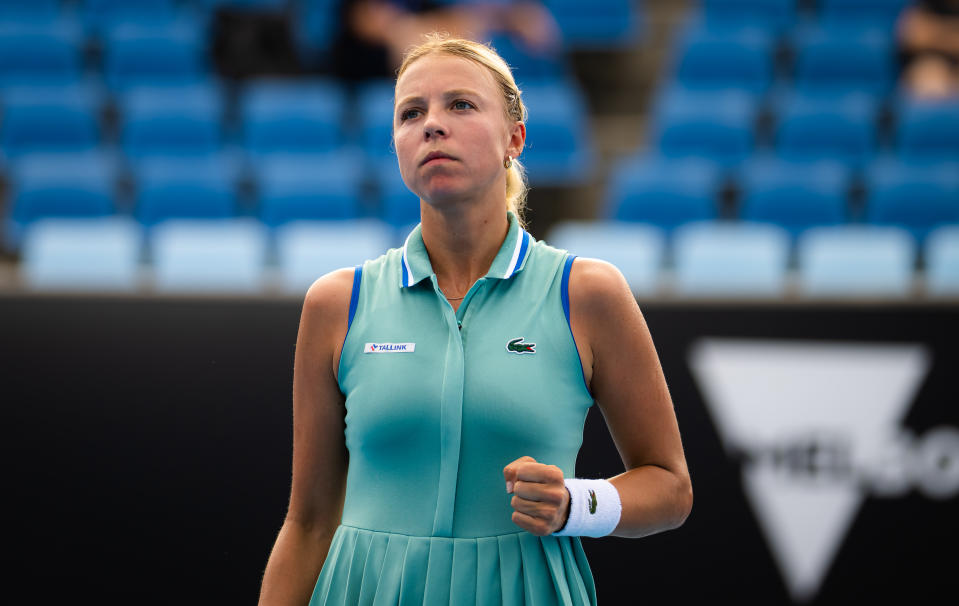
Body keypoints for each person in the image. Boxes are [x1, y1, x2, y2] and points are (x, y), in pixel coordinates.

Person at [257, 34, 692, 606]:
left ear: (515, 138)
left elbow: (670, 485)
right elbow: (308, 523)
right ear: (396, 145)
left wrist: (575, 505)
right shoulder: (336, 302)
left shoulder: (588, 291)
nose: (432, 125)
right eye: (411, 113)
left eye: (460, 105)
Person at [898, 0, 959, 99]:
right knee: (929, 75)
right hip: (929, 63)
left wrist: (935, 33)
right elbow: (915, 38)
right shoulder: (925, 6)